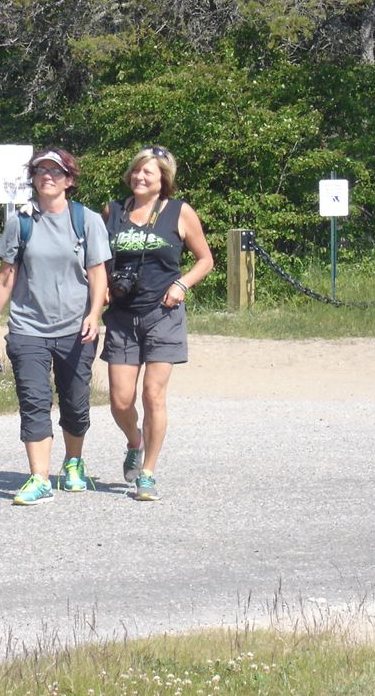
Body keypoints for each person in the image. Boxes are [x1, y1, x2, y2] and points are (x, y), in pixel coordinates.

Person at [0, 147, 111, 506]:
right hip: (28, 327)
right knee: (34, 401)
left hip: (76, 328)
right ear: (32, 178)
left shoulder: (87, 220)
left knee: (76, 403)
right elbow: (5, 278)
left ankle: (74, 462)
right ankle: (40, 478)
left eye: (56, 171)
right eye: (41, 171)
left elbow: (98, 273)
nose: (48, 176)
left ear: (70, 179)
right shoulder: (21, 221)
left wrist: (94, 314)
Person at [101, 145, 214, 501]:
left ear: (163, 179)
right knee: (120, 400)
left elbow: (205, 259)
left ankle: (147, 472)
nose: (140, 177)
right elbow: (99, 257)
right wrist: (102, 287)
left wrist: (182, 285)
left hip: (162, 313)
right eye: (136, 171)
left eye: (148, 172)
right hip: (121, 315)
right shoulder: (113, 211)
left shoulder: (179, 212)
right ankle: (135, 441)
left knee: (153, 395)